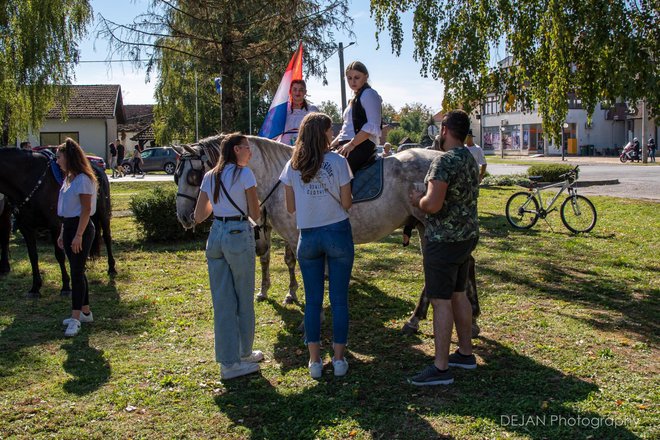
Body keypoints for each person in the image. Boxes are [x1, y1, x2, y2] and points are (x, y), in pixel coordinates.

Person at [280, 113, 354, 379]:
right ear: (323, 133)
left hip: (308, 237)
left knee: (312, 302)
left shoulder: (292, 166)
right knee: (339, 300)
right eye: (330, 130)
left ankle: (314, 362)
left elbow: (290, 207)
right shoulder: (339, 161)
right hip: (337, 232)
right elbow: (347, 203)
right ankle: (339, 359)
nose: (333, 134)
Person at [409, 110, 480, 386]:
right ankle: (465, 353)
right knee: (458, 295)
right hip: (466, 238)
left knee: (440, 301)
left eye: (441, 128)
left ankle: (440, 368)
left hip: (443, 241)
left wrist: (418, 200)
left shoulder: (443, 163)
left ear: (446, 130)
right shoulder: (470, 159)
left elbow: (433, 204)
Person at [192, 133, 263, 380]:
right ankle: (241, 356)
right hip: (237, 234)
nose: (249, 152)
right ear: (235, 150)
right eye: (246, 147)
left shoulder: (210, 176)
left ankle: (229, 359)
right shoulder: (245, 174)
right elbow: (255, 213)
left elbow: (199, 215)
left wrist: (219, 203)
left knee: (223, 302)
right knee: (244, 297)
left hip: (216, 236)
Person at [56, 138, 98, 338]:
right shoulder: (69, 179)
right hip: (70, 226)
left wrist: (78, 235)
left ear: (69, 157)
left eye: (59, 156)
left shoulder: (82, 179)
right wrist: (64, 232)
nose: (57, 161)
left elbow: (86, 210)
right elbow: (66, 210)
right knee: (78, 271)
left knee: (76, 272)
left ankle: (75, 318)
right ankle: (85, 312)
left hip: (81, 228)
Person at [331, 61, 382, 174]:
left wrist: (351, 144)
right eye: (349, 78)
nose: (352, 81)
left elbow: (372, 125)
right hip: (348, 144)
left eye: (356, 77)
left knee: (333, 170)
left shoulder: (369, 94)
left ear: (366, 76)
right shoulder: (354, 99)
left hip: (360, 145)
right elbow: (345, 129)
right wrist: (330, 145)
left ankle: (346, 192)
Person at [278, 79, 319, 146]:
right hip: (285, 149)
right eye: (295, 89)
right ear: (290, 91)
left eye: (301, 90)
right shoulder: (283, 109)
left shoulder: (312, 110)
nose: (298, 92)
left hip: (306, 149)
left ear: (305, 92)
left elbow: (319, 131)